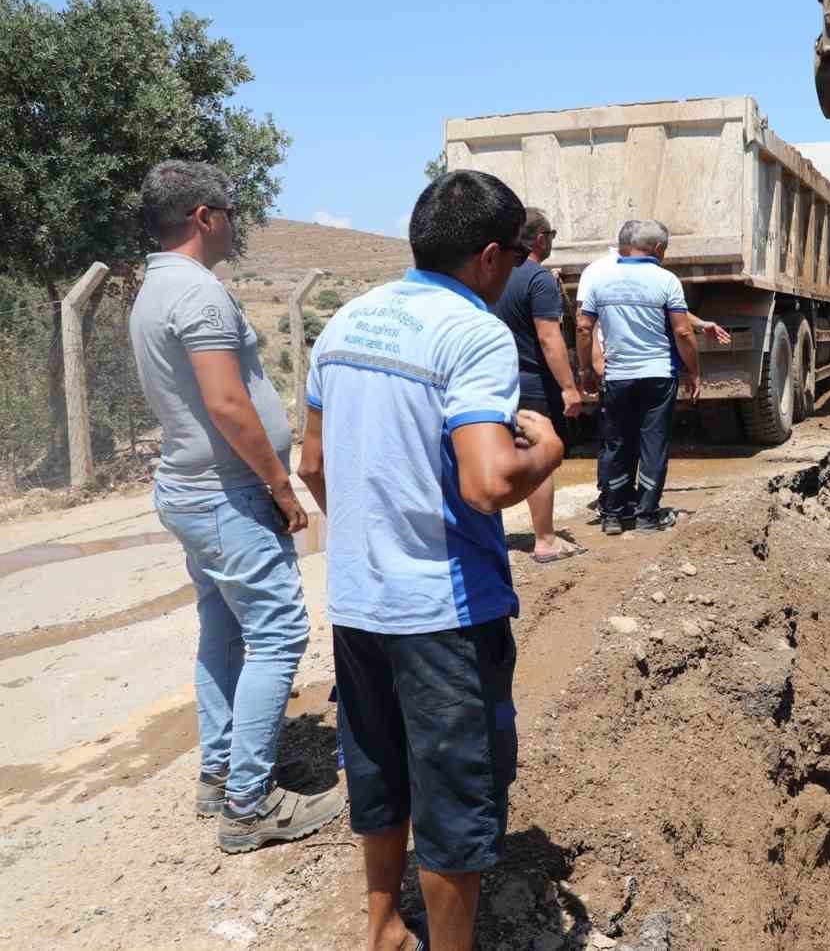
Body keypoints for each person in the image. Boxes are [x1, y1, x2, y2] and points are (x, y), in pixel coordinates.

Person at [297, 170, 564, 951]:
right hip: (443, 614)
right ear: (489, 256)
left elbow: (313, 467)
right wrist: (547, 449)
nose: (516, 270)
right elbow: (487, 483)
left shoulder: (344, 321)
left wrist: (373, 532)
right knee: (456, 798)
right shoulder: (472, 331)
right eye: (517, 256)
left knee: (379, 772)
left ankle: (383, 927)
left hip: (356, 602)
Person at [129, 160, 344, 852]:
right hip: (227, 492)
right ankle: (249, 805)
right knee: (279, 632)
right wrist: (282, 487)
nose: (234, 221)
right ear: (203, 216)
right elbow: (227, 402)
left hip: (193, 488)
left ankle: (219, 773)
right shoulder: (197, 294)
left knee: (223, 631)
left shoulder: (155, 287)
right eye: (228, 209)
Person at [574, 233, 730, 516]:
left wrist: (585, 369)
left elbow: (584, 328)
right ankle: (646, 514)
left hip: (618, 375)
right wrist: (694, 371)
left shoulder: (599, 278)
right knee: (653, 444)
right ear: (658, 248)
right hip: (658, 375)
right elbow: (681, 330)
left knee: (617, 442)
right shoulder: (666, 279)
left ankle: (612, 513)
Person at [492, 207, 584, 563]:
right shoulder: (538, 279)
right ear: (541, 239)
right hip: (531, 384)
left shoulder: (490, 277)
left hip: (493, 382)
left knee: (496, 456)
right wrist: (569, 387)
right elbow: (549, 338)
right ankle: (545, 540)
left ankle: (492, 539)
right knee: (537, 459)